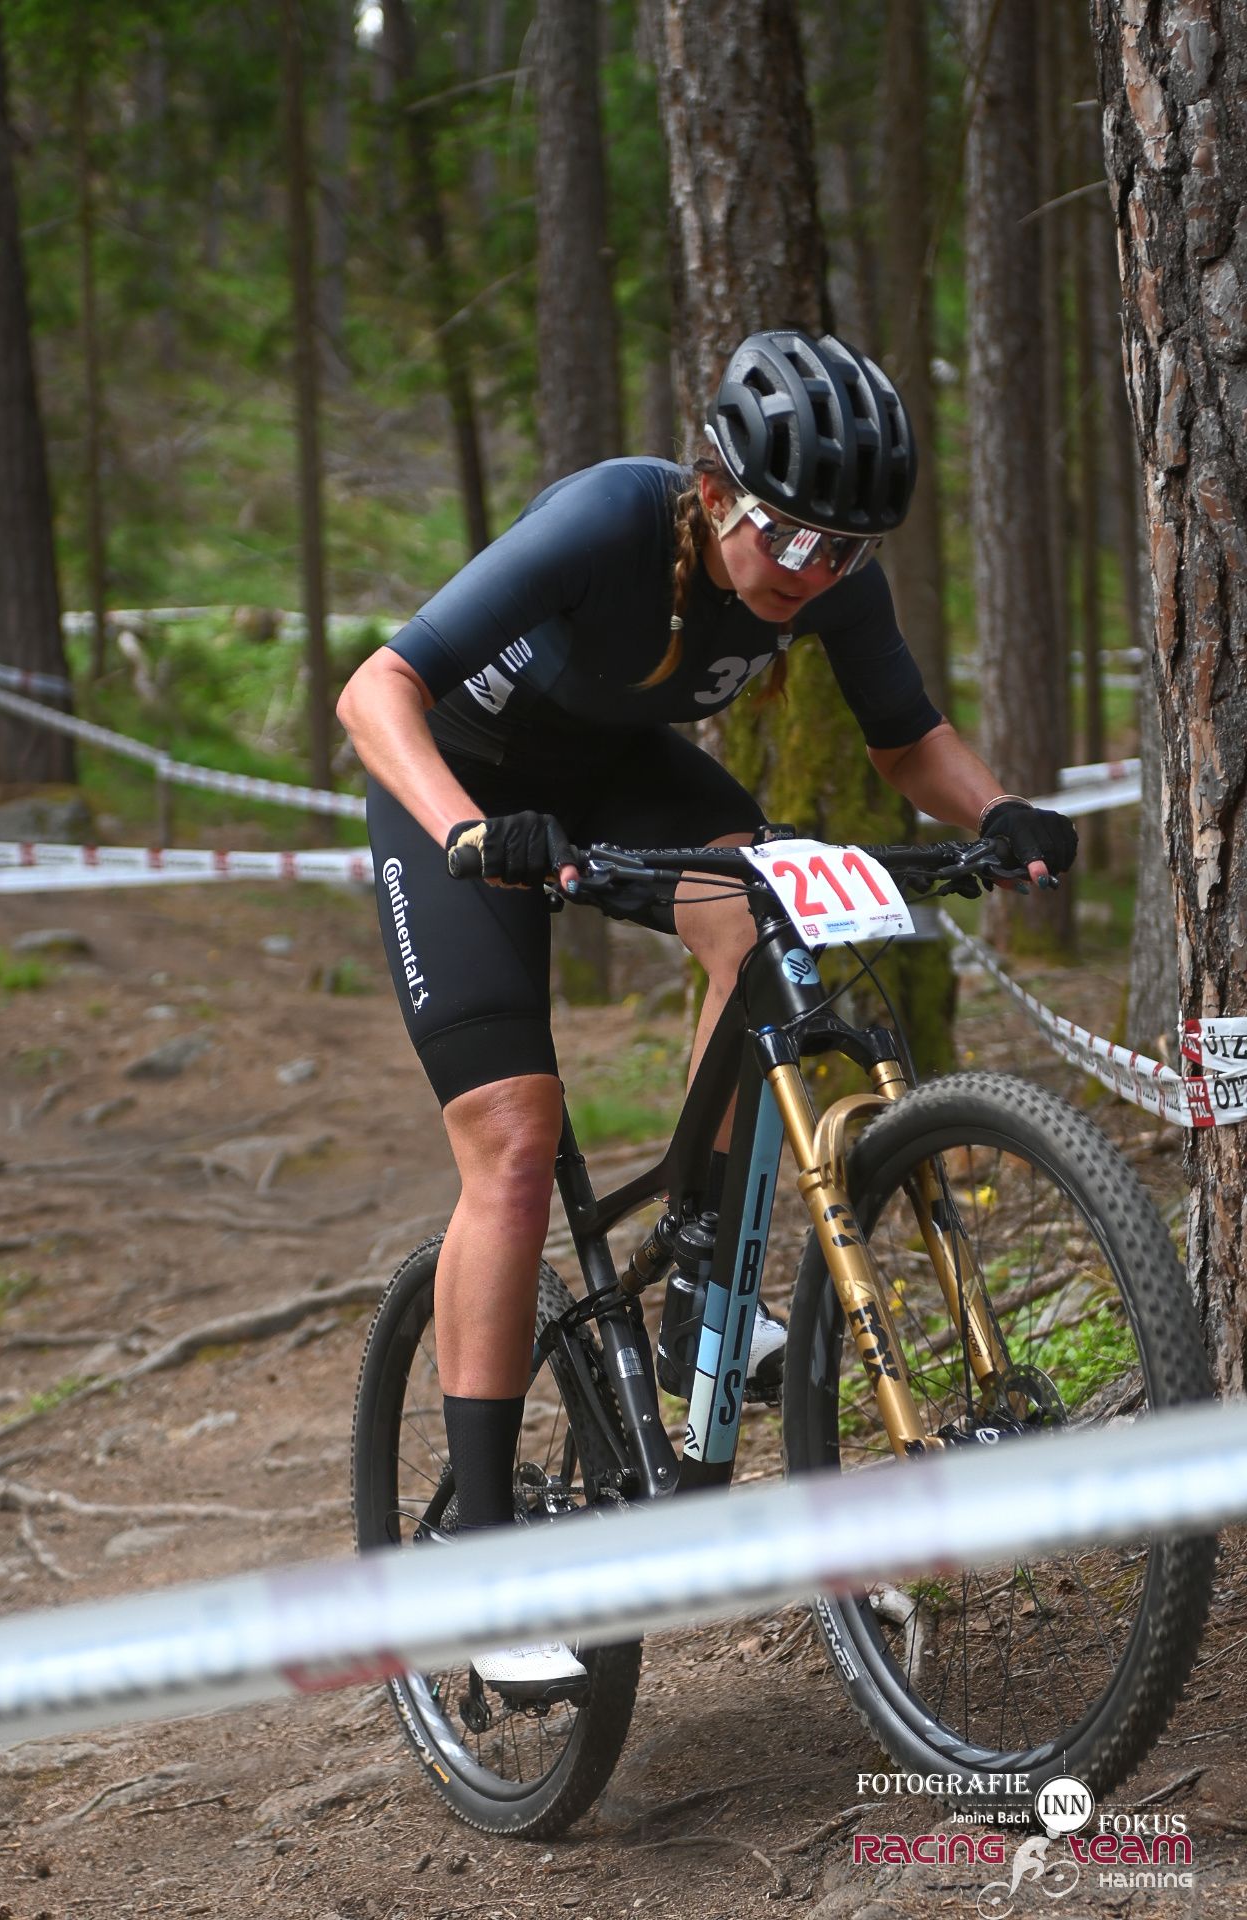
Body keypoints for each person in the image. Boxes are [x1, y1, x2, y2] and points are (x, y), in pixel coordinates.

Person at [336, 328, 1077, 1699]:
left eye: (841, 549)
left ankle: (697, 1297)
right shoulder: (613, 519)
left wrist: (1001, 812)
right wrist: (463, 833)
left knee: (767, 915)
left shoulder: (829, 579)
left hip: (614, 776)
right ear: (717, 488)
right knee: (513, 1141)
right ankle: (479, 1568)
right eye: (786, 535)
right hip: (460, 792)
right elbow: (375, 687)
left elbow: (907, 738)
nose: (809, 570)